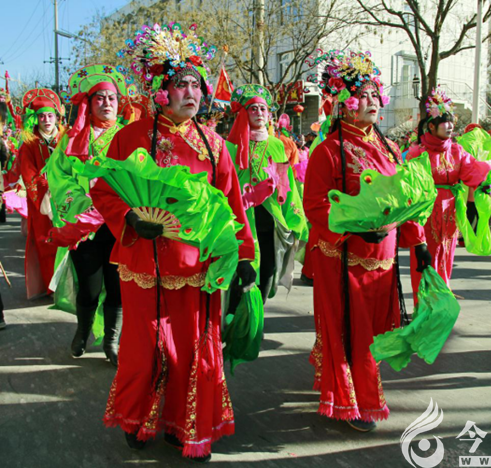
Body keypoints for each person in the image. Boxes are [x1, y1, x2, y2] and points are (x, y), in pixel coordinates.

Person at [94, 23, 256, 462]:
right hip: (142, 264)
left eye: (197, 84)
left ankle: (186, 427)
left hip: (197, 268)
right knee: (143, 349)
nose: (192, 92)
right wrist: (130, 218)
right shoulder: (129, 138)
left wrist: (242, 256)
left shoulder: (215, 146)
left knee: (192, 352)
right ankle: (136, 419)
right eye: (181, 83)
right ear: (161, 91)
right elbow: (104, 191)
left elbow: (232, 208)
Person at [303, 50, 431, 432]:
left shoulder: (390, 148)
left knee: (373, 332)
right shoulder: (328, 151)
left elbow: (405, 199)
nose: (372, 101)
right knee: (351, 331)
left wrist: (418, 241)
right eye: (363, 95)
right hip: (344, 259)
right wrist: (353, 228)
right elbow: (315, 205)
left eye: (376, 94)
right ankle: (355, 401)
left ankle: (344, 382)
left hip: (383, 260)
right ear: (344, 102)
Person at [47, 64, 131, 365]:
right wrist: (83, 204)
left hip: (122, 224)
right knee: (90, 287)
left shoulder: (130, 136)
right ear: (89, 102)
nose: (107, 103)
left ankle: (112, 340)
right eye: (100, 98)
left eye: (112, 98)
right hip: (87, 225)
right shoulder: (72, 138)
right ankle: (83, 330)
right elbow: (59, 177)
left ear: (119, 103)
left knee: (118, 287)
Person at [406, 87, 491, 290]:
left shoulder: (456, 151)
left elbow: (472, 171)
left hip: (451, 213)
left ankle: (444, 296)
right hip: (426, 212)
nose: (450, 126)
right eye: (445, 122)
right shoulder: (418, 153)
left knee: (446, 254)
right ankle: (425, 303)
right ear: (431, 126)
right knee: (426, 258)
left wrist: (482, 185)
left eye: (452, 121)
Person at [227, 84, 307, 303]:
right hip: (240, 223)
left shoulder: (277, 145)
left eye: (263, 109)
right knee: (239, 283)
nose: (259, 113)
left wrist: (295, 218)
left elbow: (286, 184)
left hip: (271, 223)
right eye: (253, 108)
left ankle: (258, 318)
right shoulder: (229, 147)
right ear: (243, 113)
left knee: (267, 278)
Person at [18, 88, 65, 299]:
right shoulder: (29, 144)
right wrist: (46, 190)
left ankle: (68, 287)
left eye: (50, 115)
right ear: (35, 119)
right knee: (46, 242)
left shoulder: (66, 138)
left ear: (57, 117)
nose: (46, 120)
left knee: (68, 241)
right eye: (42, 116)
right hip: (42, 203)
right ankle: (51, 287)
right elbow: (28, 173)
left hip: (66, 198)